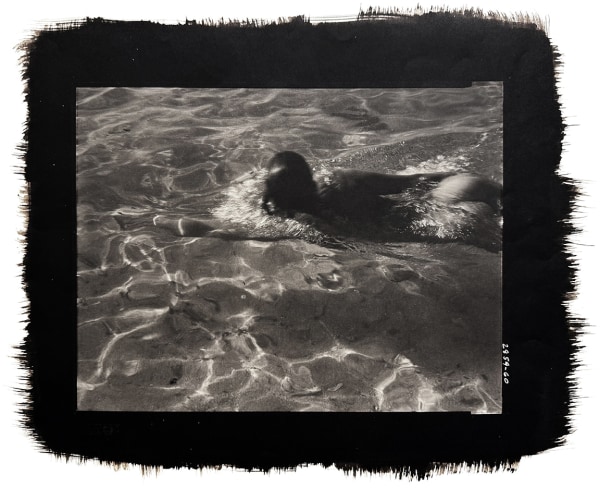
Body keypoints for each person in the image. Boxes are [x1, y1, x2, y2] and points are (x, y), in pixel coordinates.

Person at [261, 151, 501, 221]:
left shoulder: (342, 183)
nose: (278, 204)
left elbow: (412, 181)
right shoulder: (288, 206)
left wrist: (452, 174)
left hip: (437, 200)